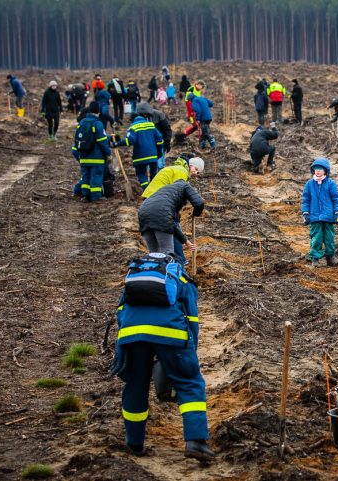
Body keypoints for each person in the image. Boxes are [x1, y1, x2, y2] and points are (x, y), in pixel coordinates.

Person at [111, 249, 215, 463]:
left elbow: (121, 310)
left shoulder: (135, 275)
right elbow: (192, 320)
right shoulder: (181, 277)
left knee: (135, 384)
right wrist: (188, 353)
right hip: (171, 333)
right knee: (189, 382)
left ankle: (134, 442)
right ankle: (195, 442)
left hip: (131, 334)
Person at [138, 179, 204, 255]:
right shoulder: (185, 186)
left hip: (143, 212)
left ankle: (155, 266)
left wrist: (186, 242)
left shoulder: (167, 193)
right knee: (167, 252)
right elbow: (199, 203)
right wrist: (195, 213)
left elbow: (171, 226)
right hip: (159, 212)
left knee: (154, 254)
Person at [301, 157, 338, 267]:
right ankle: (315, 259)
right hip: (314, 217)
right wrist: (305, 213)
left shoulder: (331, 183)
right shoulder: (309, 184)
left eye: (321, 169)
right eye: (316, 169)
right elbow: (305, 200)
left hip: (328, 217)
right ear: (313, 171)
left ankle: (330, 257)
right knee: (316, 237)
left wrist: (337, 213)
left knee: (329, 237)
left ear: (326, 171)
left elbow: (336, 199)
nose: (318, 171)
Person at [71, 102, 111, 202]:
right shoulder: (97, 123)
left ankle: (86, 196)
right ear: (98, 112)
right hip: (96, 158)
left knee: (85, 178)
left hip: (84, 156)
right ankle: (96, 197)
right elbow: (102, 141)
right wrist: (108, 153)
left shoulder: (82, 122)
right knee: (96, 177)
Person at [113, 115, 165, 191]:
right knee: (153, 175)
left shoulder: (133, 127)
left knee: (141, 174)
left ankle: (147, 190)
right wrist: (159, 151)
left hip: (140, 157)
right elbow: (160, 138)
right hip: (153, 156)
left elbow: (129, 141)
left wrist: (117, 143)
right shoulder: (151, 125)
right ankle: (154, 191)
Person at [135, 102, 173, 169]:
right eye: (142, 114)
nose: (144, 116)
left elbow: (167, 129)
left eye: (145, 114)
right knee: (149, 166)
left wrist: (167, 142)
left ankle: (160, 177)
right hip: (147, 145)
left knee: (160, 165)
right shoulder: (138, 118)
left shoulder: (158, 115)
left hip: (160, 143)